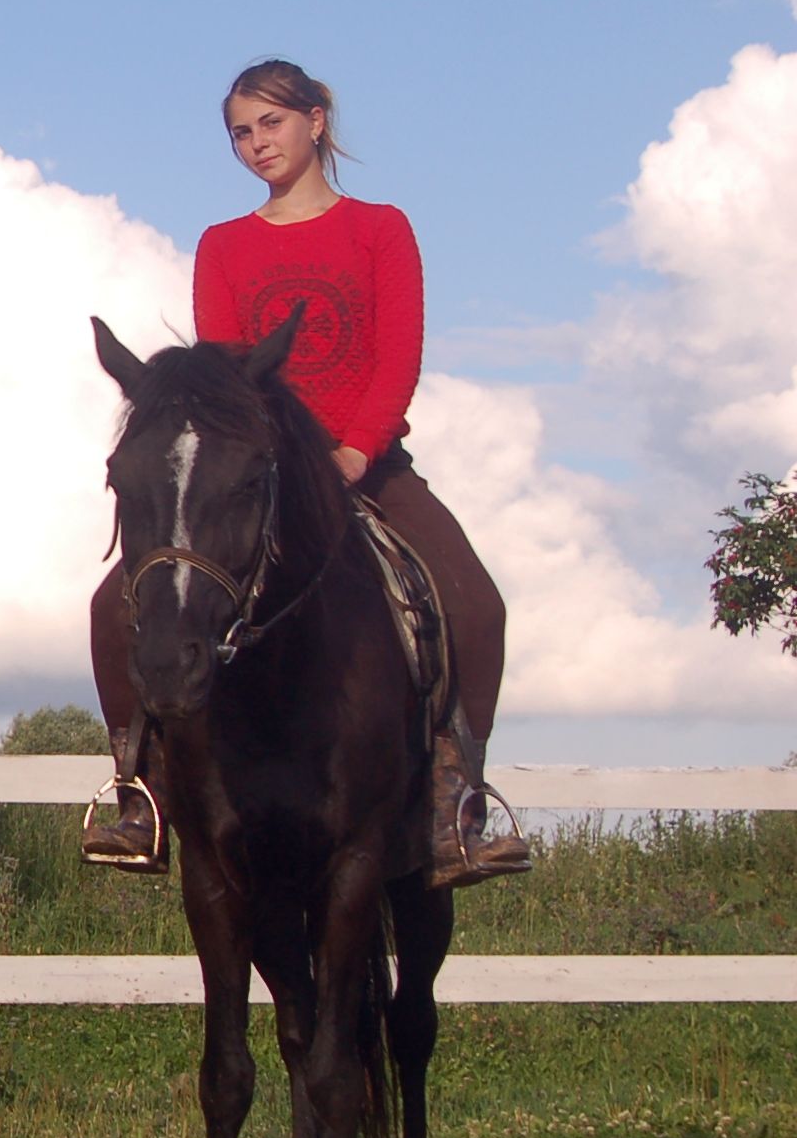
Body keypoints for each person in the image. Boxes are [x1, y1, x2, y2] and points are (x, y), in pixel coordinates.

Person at [82, 59, 530, 889]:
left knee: (474, 599)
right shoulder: (225, 244)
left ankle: (454, 796)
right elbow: (225, 380)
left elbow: (398, 355)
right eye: (241, 133)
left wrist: (355, 449)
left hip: (368, 467)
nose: (257, 144)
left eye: (272, 124)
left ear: (316, 121)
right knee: (115, 603)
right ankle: (140, 789)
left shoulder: (379, 229)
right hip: (257, 478)